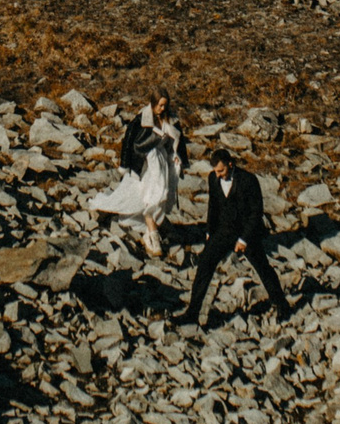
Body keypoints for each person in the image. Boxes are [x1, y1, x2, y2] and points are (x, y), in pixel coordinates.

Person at [183, 145, 292, 327]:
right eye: (215, 171)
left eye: (221, 170)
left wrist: (244, 239)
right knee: (204, 266)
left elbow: (256, 213)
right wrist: (210, 231)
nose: (218, 174)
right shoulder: (213, 178)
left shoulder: (249, 180)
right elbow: (213, 206)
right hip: (222, 232)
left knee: (263, 268)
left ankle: (282, 305)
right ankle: (192, 313)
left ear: (231, 164)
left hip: (245, 233)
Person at [89, 94, 183, 259]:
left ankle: (153, 230)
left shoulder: (170, 121)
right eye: (160, 105)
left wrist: (176, 156)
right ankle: (153, 236)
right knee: (150, 197)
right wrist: (124, 166)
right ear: (153, 104)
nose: (162, 109)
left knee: (161, 195)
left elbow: (175, 143)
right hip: (146, 165)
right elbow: (128, 142)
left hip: (161, 164)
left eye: (165, 105)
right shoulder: (141, 120)